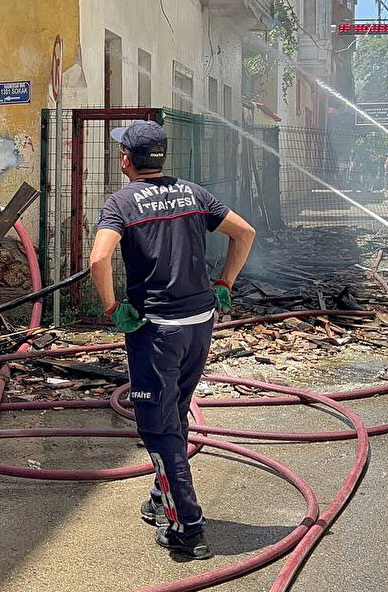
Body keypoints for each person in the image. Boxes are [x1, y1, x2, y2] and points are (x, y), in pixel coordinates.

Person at [88, 120, 256, 560]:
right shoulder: (194, 194)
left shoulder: (122, 202)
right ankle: (162, 497)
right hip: (200, 323)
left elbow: (99, 258)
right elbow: (245, 233)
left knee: (157, 427)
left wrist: (112, 308)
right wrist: (226, 283)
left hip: (157, 330)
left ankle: (187, 529)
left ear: (126, 159)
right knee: (175, 410)